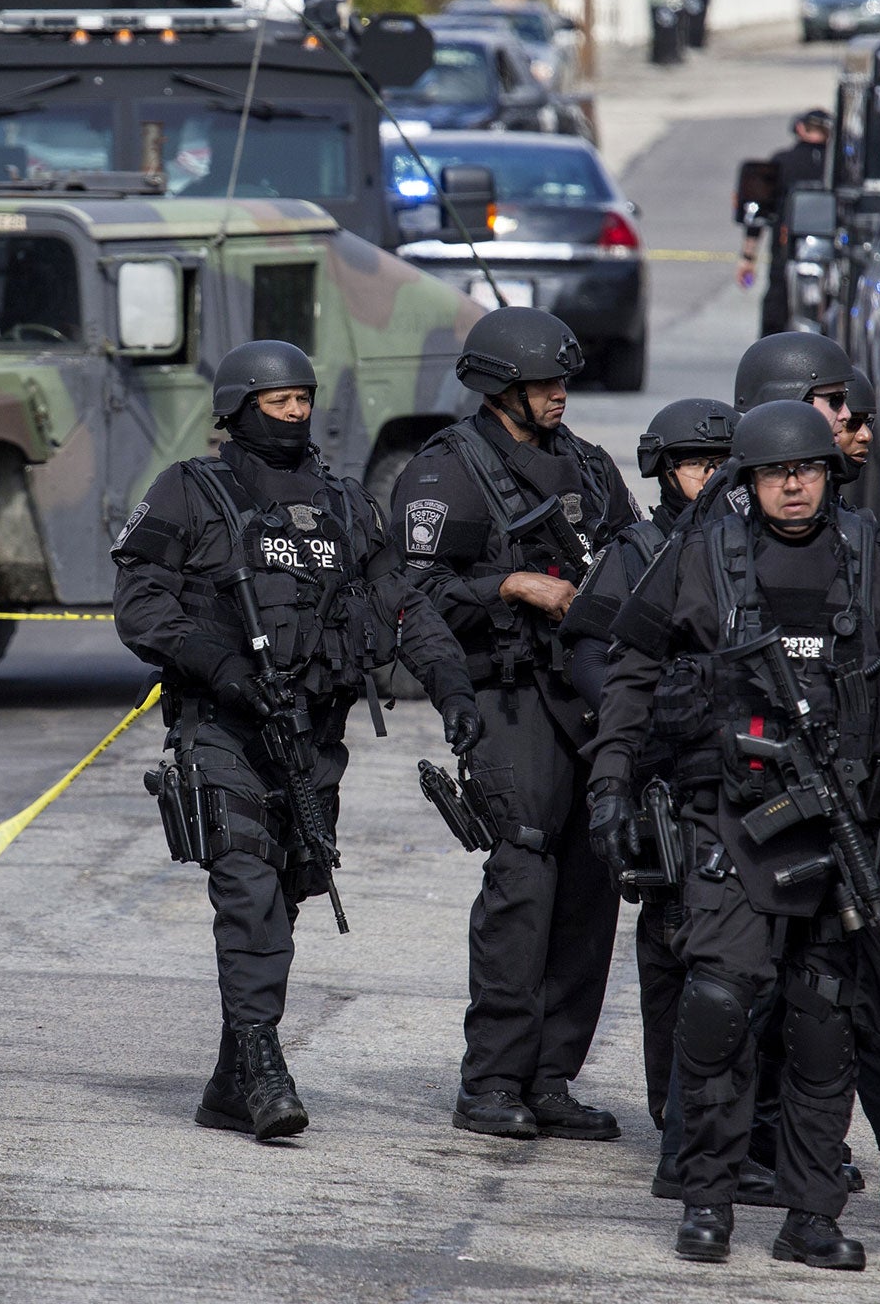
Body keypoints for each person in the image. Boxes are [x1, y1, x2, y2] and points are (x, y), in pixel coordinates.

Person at [588, 400, 880, 1269]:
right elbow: (631, 666)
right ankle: (706, 1198)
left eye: (806, 470)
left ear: (830, 474)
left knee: (823, 1025)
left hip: (844, 830)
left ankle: (810, 1215)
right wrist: (610, 781)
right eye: (775, 472)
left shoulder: (875, 554)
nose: (793, 484)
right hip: (734, 822)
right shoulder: (702, 554)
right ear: (751, 479)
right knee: (719, 1007)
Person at [114, 340, 480, 1140]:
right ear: (238, 408)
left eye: (303, 400)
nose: (294, 413)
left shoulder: (345, 506)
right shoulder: (190, 491)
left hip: (314, 735)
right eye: (277, 402)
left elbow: (402, 604)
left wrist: (452, 687)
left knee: (285, 894)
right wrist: (219, 665)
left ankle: (229, 1082)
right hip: (222, 725)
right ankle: (265, 1064)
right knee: (247, 887)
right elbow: (140, 604)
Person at [389, 308, 638, 1140]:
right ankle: (492, 1079)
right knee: (524, 877)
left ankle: (551, 1078)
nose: (559, 393)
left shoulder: (590, 467)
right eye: (542, 383)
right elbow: (410, 598)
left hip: (588, 694)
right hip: (508, 695)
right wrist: (510, 586)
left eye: (563, 379)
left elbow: (639, 563)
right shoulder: (446, 472)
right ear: (501, 388)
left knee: (592, 884)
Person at [562, 398, 738, 1142]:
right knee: (671, 935)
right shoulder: (637, 551)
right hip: (664, 771)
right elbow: (589, 655)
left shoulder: (755, 547)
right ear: (664, 471)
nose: (714, 478)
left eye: (726, 464)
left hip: (745, 772)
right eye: (699, 464)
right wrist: (653, 719)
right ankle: (677, 1109)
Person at [738, 111, 830, 337]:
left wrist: (748, 258)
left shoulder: (783, 162)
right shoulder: (838, 167)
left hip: (786, 252)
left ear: (800, 129)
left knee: (776, 313)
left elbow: (758, 211)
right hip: (831, 254)